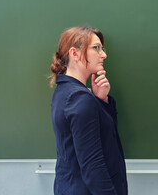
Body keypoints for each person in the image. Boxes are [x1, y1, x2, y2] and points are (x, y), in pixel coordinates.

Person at [49, 27, 128, 195]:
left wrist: (102, 101)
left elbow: (104, 138)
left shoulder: (64, 92)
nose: (104, 55)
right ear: (75, 54)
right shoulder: (80, 99)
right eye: (96, 48)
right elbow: (93, 165)